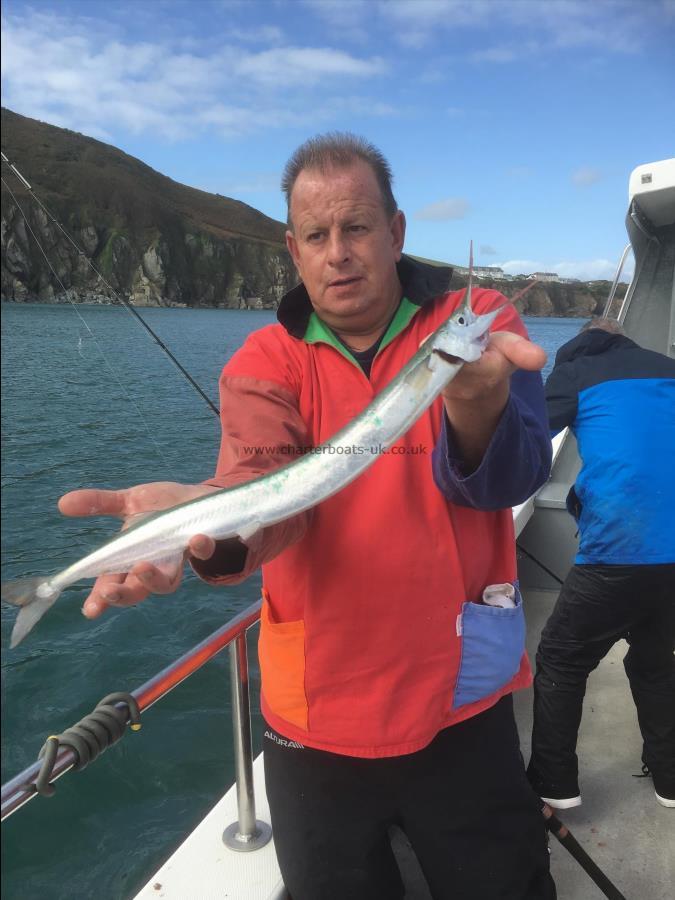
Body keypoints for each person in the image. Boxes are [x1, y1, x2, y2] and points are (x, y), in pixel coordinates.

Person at [59, 134, 555, 899]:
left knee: (505, 884)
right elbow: (268, 502)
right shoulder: (264, 361)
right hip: (315, 710)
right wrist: (208, 523)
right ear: (293, 250)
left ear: (394, 231)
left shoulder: (476, 319)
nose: (339, 254)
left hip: (459, 694)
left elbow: (513, 479)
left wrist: (480, 411)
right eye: (317, 237)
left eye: (356, 228)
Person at [527, 317, 675, 811]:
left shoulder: (578, 372)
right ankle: (671, 781)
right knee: (657, 662)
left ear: (581, 347)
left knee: (561, 660)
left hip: (620, 552)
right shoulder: (668, 369)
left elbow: (526, 436)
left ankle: (553, 785)